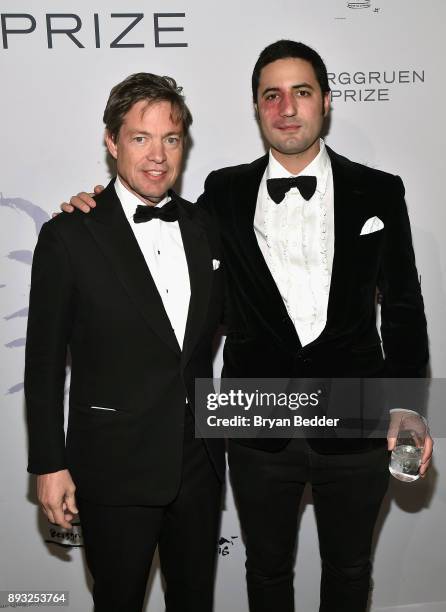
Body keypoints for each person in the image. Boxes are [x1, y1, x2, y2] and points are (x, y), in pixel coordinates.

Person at [62, 41, 433, 612]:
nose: (287, 107)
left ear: (326, 103)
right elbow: (150, 233)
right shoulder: (222, 193)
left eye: (301, 92)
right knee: (265, 573)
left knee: (351, 570)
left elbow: (404, 305)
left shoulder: (380, 190)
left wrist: (409, 406)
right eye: (272, 95)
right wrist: (95, 208)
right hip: (255, 417)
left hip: (360, 413)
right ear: (257, 108)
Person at [25, 72, 225, 612]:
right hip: (113, 464)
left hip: (198, 464)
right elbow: (43, 361)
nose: (157, 155)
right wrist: (48, 464)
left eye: (171, 138)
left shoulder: (205, 227)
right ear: (112, 142)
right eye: (140, 137)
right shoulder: (70, 234)